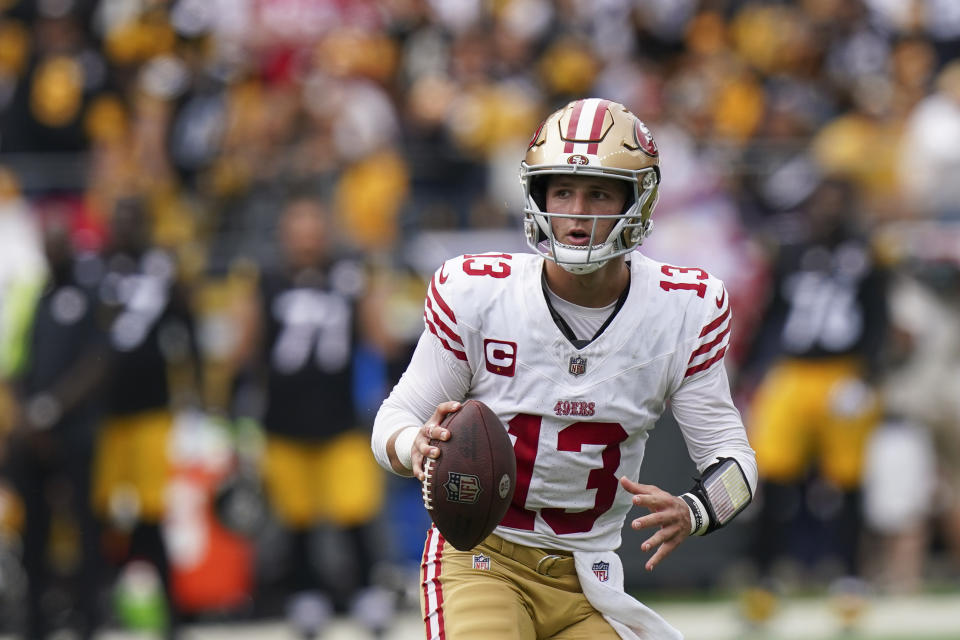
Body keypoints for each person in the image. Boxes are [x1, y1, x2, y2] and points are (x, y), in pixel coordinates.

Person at [371, 98, 758, 640]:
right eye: (563, 191)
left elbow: (735, 462)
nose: (577, 210)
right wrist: (417, 445)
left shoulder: (683, 309)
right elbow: (392, 420)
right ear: (537, 197)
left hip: (588, 578)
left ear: (637, 200)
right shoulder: (478, 293)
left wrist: (695, 510)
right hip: (482, 558)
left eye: (599, 192)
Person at [229, 190, 393, 638]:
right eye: (297, 230)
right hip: (283, 419)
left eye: (313, 229)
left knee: (354, 511)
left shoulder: (350, 274)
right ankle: (307, 594)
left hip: (340, 418)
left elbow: (381, 340)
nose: (306, 240)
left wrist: (373, 289)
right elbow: (243, 350)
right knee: (296, 517)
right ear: (284, 235)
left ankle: (364, 589)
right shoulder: (265, 279)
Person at [740, 176, 889, 602]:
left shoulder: (867, 251)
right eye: (821, 201)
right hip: (793, 372)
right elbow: (772, 314)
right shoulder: (789, 252)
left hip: (844, 373)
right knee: (773, 476)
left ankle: (850, 576)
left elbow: (878, 315)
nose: (827, 210)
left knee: (848, 481)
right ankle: (765, 575)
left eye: (835, 201)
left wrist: (868, 375)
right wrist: (752, 368)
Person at [90, 197, 202, 638]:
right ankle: (98, 603)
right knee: (104, 512)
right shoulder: (96, 268)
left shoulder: (162, 269)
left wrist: (194, 387)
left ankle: (170, 611)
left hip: (152, 408)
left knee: (153, 511)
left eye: (133, 217)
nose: (125, 225)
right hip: (105, 410)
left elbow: (186, 325)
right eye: (119, 216)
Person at [1, 209, 108, 639]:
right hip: (33, 435)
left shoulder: (90, 293)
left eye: (61, 240)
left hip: (76, 431)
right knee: (35, 531)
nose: (54, 248)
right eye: (48, 240)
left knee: (84, 525)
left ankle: (88, 619)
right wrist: (28, 414)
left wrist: (53, 408)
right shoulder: (32, 294)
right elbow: (15, 359)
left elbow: (98, 361)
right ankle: (34, 621)